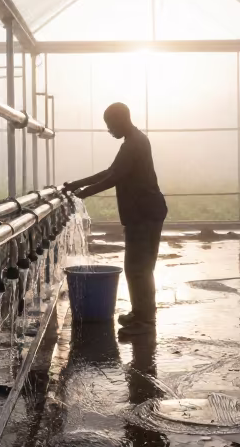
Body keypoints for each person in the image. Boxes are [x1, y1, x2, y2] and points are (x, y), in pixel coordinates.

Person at [64, 102, 167, 337]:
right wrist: (76, 185)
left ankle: (145, 321)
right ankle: (140, 314)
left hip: (145, 214)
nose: (109, 130)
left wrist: (82, 193)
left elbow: (113, 178)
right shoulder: (132, 142)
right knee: (137, 268)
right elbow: (110, 172)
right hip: (141, 214)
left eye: (110, 125)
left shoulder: (134, 144)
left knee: (139, 268)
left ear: (122, 120)